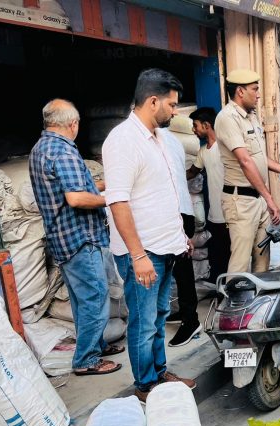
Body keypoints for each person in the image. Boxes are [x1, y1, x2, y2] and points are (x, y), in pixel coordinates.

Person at [102, 68, 195, 402]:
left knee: (158, 317)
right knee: (142, 323)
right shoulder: (123, 141)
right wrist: (138, 255)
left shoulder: (159, 139)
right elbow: (118, 201)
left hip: (166, 246)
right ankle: (146, 385)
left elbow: (164, 194)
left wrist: (180, 235)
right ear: (152, 101)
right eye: (171, 105)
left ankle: (158, 372)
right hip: (143, 253)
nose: (174, 111)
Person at [29, 99, 123, 377]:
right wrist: (109, 199)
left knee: (82, 299)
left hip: (62, 239)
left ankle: (96, 345)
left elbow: (72, 185)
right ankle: (86, 360)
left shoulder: (41, 148)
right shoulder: (63, 150)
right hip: (80, 237)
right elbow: (76, 197)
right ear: (73, 124)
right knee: (95, 296)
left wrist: (106, 184)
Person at [214, 69, 280, 274]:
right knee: (240, 264)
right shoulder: (228, 118)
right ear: (240, 91)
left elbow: (258, 157)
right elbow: (245, 161)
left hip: (257, 200)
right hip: (241, 202)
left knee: (262, 260)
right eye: (255, 90)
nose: (258, 94)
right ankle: (233, 305)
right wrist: (270, 199)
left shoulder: (251, 116)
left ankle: (257, 306)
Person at [164, 128, 200, 347]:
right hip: (177, 210)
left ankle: (191, 320)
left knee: (182, 269)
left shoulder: (165, 141)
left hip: (176, 212)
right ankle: (185, 312)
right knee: (176, 268)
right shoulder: (172, 140)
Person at [186, 107, 230, 283]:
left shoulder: (225, 147)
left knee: (229, 255)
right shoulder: (203, 151)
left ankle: (229, 290)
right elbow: (192, 172)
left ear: (206, 125)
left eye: (196, 126)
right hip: (214, 215)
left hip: (229, 212)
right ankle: (218, 288)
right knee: (217, 253)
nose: (194, 130)